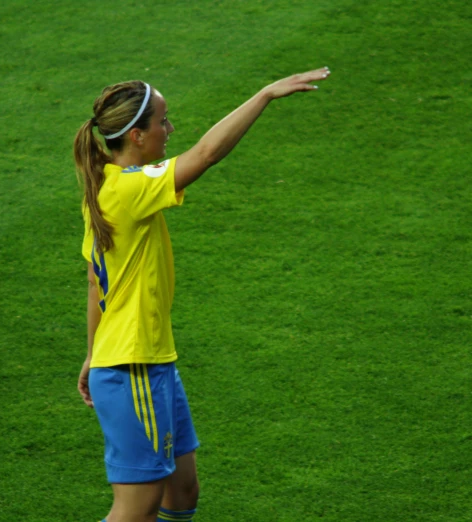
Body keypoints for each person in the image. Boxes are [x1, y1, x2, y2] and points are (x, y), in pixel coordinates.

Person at [73, 67, 331, 522]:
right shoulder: (130, 189)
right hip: (134, 368)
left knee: (183, 492)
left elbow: (97, 281)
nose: (169, 130)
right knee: (138, 508)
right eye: (162, 122)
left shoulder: (109, 186)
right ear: (136, 136)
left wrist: (92, 354)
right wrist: (265, 94)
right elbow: (208, 154)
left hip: (146, 361)